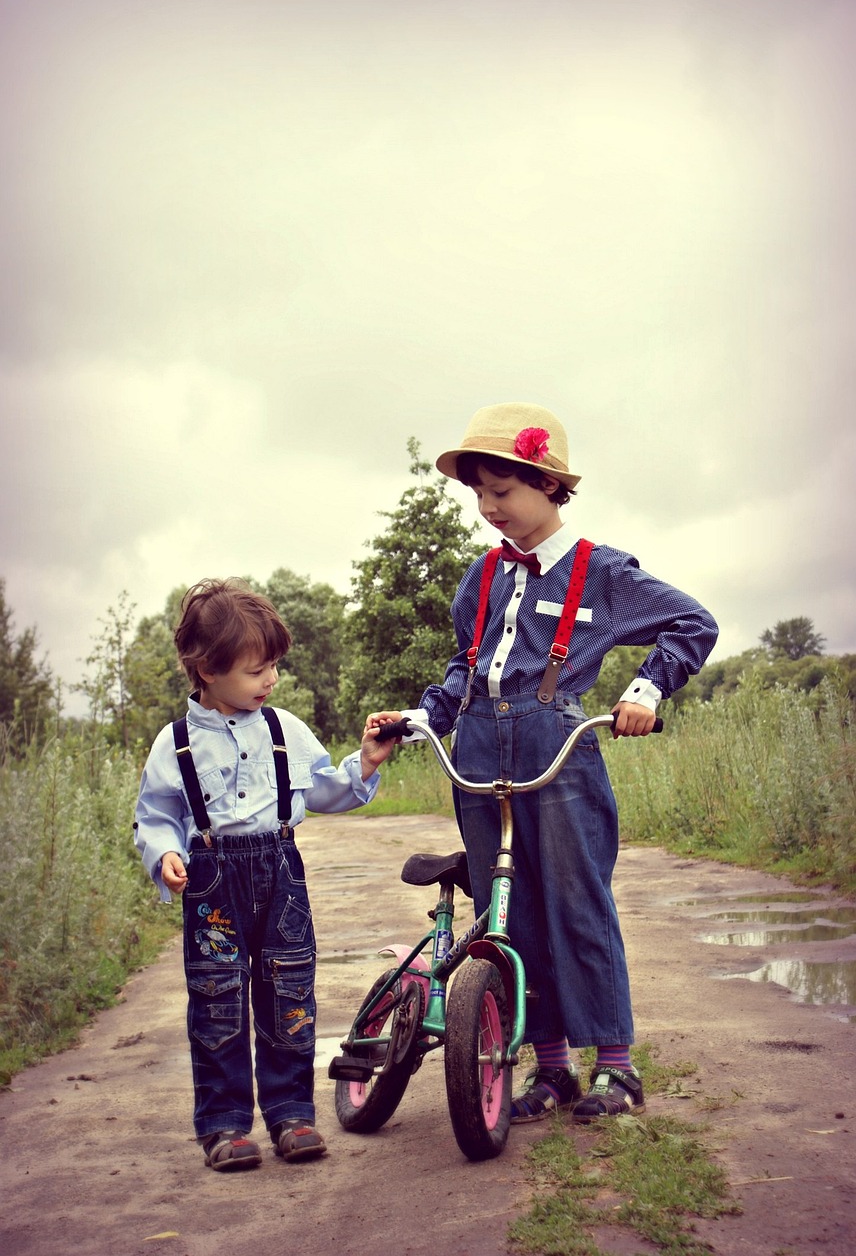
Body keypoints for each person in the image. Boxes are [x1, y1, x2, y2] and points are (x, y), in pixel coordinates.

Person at [371, 402, 718, 1125]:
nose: (488, 507)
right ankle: (551, 1067)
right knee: (508, 910)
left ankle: (615, 1069)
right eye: (478, 494)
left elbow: (694, 623)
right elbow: (463, 668)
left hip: (555, 744)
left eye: (502, 491)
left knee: (575, 902)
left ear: (548, 483)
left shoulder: (602, 571)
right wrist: (420, 718)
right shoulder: (482, 576)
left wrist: (646, 689)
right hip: (475, 743)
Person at [134, 578, 398, 1171]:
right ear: (204, 668)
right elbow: (155, 816)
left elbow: (326, 789)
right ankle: (226, 1126)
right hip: (211, 881)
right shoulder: (174, 744)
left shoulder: (285, 730)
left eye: (273, 667)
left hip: (279, 870)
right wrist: (165, 853)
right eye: (257, 671)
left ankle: (291, 1115)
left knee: (289, 995)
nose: (270, 681)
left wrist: (366, 764)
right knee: (217, 1000)